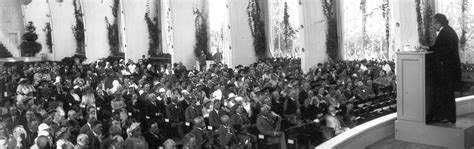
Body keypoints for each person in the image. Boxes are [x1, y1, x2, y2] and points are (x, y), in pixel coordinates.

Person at [424, 13, 461, 124]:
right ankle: (446, 117)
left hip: (447, 70)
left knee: (446, 94)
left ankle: (447, 117)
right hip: (448, 69)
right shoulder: (448, 31)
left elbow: (445, 51)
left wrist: (436, 56)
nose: (433, 26)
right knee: (446, 94)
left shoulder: (445, 33)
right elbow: (440, 48)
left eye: (434, 23)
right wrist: (428, 48)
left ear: (439, 22)